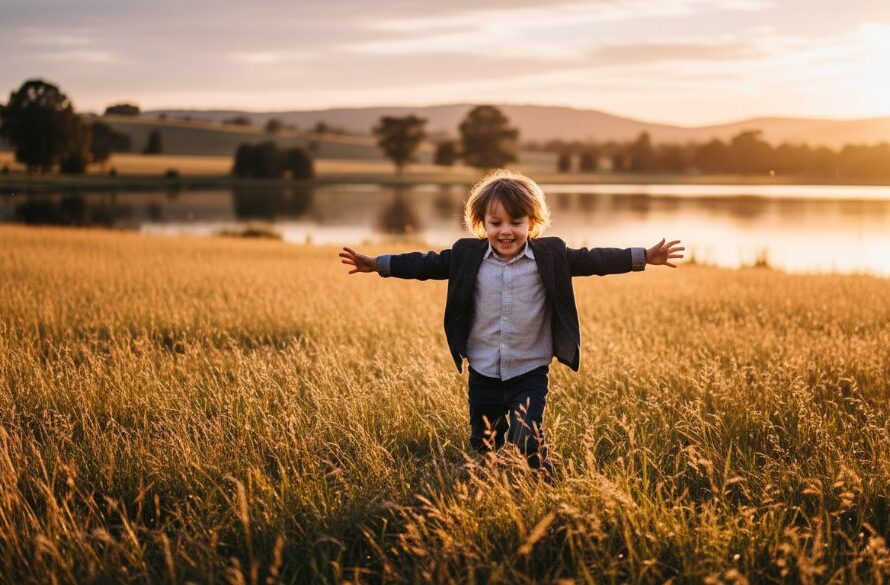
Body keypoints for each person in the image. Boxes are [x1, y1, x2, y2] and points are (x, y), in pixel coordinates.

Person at [339, 169, 684, 484]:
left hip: (529, 369)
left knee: (527, 436)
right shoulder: (465, 254)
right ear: (481, 223)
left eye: (516, 222)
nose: (506, 231)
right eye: (496, 222)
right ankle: (488, 478)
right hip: (484, 369)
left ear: (532, 223)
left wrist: (642, 257)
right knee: (484, 441)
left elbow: (595, 259)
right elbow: (426, 264)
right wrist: (378, 264)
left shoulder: (552, 255)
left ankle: (543, 481)